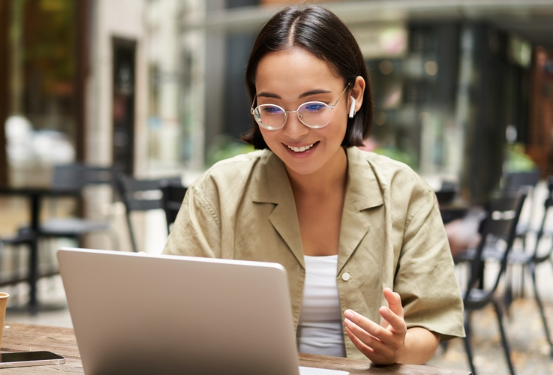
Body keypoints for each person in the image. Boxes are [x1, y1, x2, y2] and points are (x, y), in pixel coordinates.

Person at [162, 5, 464, 365]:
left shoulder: (406, 194)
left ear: (355, 95)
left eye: (315, 106)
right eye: (272, 109)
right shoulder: (217, 194)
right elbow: (171, 314)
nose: (293, 131)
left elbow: (428, 325)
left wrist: (397, 348)